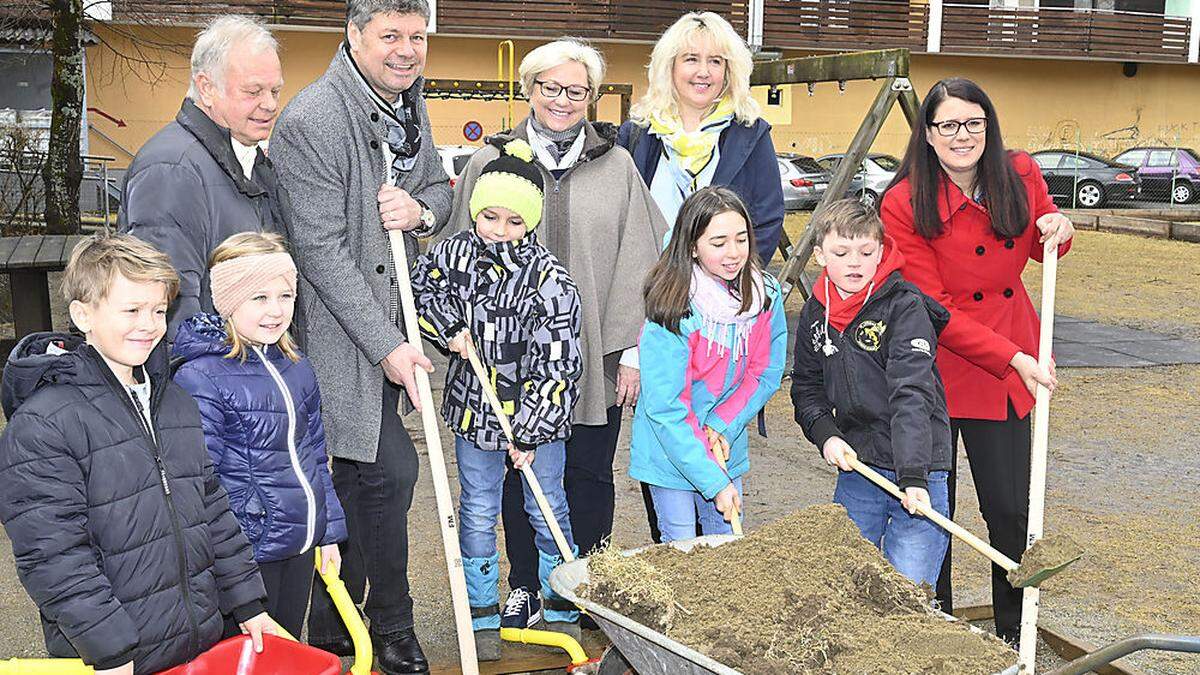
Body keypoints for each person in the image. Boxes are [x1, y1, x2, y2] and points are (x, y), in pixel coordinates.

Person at [445, 39, 668, 630]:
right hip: (508, 367)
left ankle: (584, 584)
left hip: (591, 354)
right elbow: (452, 254)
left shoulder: (617, 166)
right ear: (529, 89)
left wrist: (631, 351)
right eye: (550, 87)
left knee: (588, 472)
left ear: (592, 97)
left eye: (576, 90)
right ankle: (524, 584)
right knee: (520, 473)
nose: (562, 100)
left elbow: (641, 258)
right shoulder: (489, 162)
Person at [269, 0, 451, 669]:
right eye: (390, 36)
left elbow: (439, 188)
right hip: (333, 342)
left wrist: (420, 208)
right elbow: (319, 251)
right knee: (370, 477)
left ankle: (369, 624)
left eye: (417, 37)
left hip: (383, 331)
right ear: (353, 36)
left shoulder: (409, 105)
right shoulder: (314, 118)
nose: (406, 50)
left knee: (369, 481)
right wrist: (389, 346)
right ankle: (353, 629)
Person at [0, 234, 273, 675]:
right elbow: (53, 553)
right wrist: (110, 649)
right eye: (131, 310)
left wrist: (247, 602)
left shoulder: (174, 403)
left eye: (159, 310)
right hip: (115, 656)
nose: (149, 324)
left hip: (196, 642)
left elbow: (212, 512)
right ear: (82, 315)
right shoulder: (44, 421)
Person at [880, 77, 1074, 643]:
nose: (961, 135)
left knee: (1011, 510)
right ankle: (936, 629)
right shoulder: (904, 200)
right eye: (948, 125)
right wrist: (1011, 357)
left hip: (1011, 365)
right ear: (929, 134)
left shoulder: (1019, 173)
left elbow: (1043, 241)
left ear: (987, 126)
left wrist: (1060, 227)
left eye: (973, 123)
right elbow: (932, 307)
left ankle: (1015, 631)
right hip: (935, 368)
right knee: (931, 510)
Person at [412, 139, 583, 658]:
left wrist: (531, 430)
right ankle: (481, 614)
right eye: (490, 216)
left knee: (547, 506)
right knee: (478, 509)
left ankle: (561, 607)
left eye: (513, 220)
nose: (500, 229)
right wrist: (449, 329)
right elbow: (422, 289)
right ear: (475, 210)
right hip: (476, 411)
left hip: (537, 418)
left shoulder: (551, 281)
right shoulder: (453, 253)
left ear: (529, 221)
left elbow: (560, 363)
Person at [171, 232, 347, 638]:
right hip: (248, 555)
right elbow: (202, 480)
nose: (275, 310)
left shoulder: (297, 367)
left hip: (300, 542)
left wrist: (327, 533)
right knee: (248, 655)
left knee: (286, 648)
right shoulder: (202, 377)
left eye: (285, 296)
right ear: (229, 300)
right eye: (259, 298)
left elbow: (316, 456)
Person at [790, 199, 952, 587]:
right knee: (846, 586)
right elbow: (806, 388)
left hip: (918, 466)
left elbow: (911, 394)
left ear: (880, 251)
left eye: (866, 252)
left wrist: (913, 475)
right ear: (820, 255)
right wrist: (826, 435)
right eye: (841, 253)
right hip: (858, 468)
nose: (854, 263)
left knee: (905, 592)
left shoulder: (904, 308)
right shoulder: (816, 313)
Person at [630, 186, 788, 542]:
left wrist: (721, 424)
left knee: (726, 548)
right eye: (718, 243)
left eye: (741, 239)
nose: (734, 254)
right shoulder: (672, 312)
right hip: (670, 452)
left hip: (723, 442)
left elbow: (763, 372)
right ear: (692, 247)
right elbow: (666, 408)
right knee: (683, 548)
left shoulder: (765, 296)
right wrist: (714, 481)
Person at [120, 15, 289, 337]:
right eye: (253, 91)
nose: (269, 105)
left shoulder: (247, 155)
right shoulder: (172, 169)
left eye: (275, 91)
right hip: (215, 377)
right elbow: (170, 304)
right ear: (207, 88)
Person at [618, 11, 784, 267]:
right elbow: (619, 220)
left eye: (716, 61)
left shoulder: (751, 135)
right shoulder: (637, 135)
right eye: (692, 59)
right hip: (646, 291)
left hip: (722, 296)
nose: (704, 72)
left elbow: (766, 220)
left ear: (728, 71)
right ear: (670, 66)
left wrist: (731, 287)